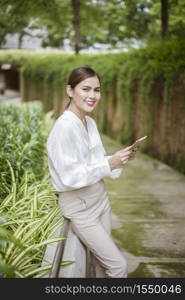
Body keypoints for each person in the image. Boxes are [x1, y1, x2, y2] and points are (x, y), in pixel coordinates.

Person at [46, 66, 138, 278]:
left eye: (97, 90)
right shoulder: (64, 128)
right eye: (86, 89)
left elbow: (94, 163)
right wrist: (108, 165)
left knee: (100, 268)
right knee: (118, 266)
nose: (92, 96)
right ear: (70, 91)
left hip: (100, 201)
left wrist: (117, 160)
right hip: (80, 208)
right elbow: (70, 176)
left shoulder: (89, 122)